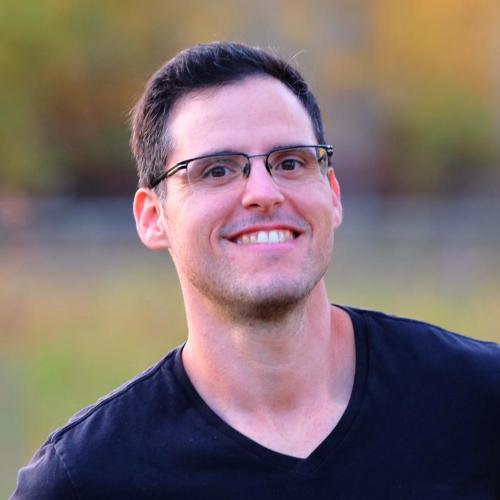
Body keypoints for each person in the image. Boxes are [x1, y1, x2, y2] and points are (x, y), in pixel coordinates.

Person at [11, 41, 500, 499]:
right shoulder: (87, 478)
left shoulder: (479, 402)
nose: (264, 192)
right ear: (153, 217)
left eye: (290, 163)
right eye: (216, 169)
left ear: (332, 194)